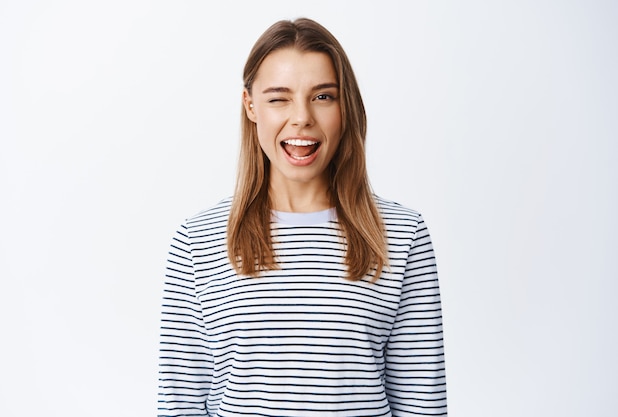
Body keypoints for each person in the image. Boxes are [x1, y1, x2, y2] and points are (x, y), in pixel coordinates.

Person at [158, 18, 447, 417]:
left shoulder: (402, 234)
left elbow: (422, 405)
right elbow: (180, 405)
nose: (301, 118)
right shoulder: (198, 240)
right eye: (279, 98)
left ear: (345, 106)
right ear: (251, 106)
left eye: (323, 97)